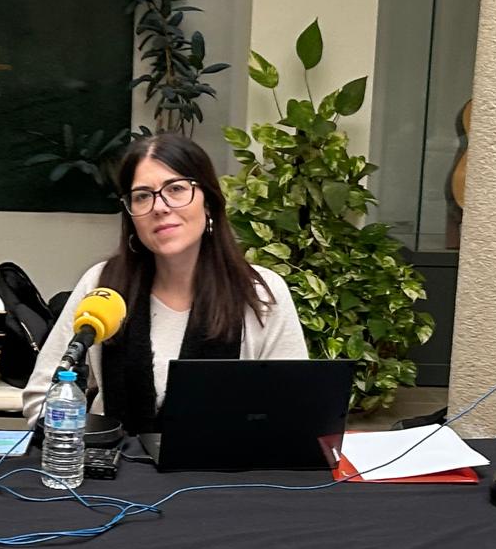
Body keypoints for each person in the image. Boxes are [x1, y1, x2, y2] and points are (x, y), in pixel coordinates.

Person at [22, 133, 308, 431]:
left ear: (208, 202)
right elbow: (41, 396)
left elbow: (293, 408)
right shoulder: (101, 285)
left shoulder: (261, 293)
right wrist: (86, 441)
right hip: (114, 459)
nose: (159, 207)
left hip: (226, 461)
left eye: (176, 189)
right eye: (142, 196)